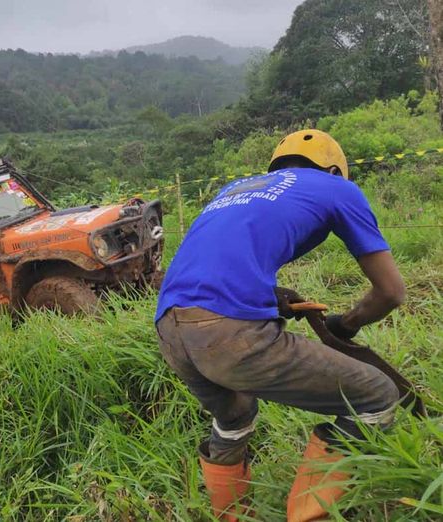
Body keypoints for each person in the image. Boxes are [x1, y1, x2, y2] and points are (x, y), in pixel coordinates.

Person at [155, 129, 405, 522]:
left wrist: (269, 295)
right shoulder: (336, 188)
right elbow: (391, 292)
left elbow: (216, 261)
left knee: (234, 416)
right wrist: (347, 324)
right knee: (376, 397)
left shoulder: (235, 188)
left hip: (170, 329)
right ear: (336, 169)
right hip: (227, 332)